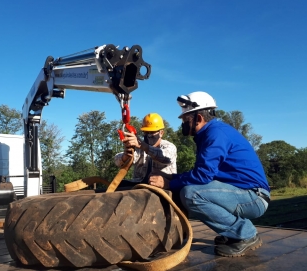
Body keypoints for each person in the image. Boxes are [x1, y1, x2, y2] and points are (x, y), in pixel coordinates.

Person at [148, 91, 270, 257]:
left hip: (254, 197)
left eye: (185, 119)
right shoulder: (210, 133)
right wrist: (172, 177)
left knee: (191, 194)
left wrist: (169, 184)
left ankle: (245, 234)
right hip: (242, 192)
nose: (183, 123)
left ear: (198, 118)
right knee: (189, 189)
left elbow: (202, 176)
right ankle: (234, 235)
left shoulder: (215, 134)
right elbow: (203, 174)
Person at [114, 113, 177, 187]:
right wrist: (125, 156)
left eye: (152, 132)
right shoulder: (139, 148)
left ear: (161, 133)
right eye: (146, 132)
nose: (149, 135)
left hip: (162, 186)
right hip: (139, 185)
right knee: (120, 185)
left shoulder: (169, 146)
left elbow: (166, 158)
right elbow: (117, 161)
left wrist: (144, 147)